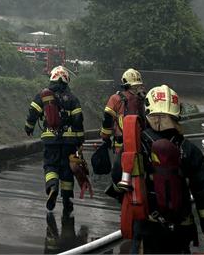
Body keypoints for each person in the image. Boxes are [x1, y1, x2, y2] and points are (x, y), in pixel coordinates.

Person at [130, 84, 204, 254]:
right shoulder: (190, 150)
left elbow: (118, 177)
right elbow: (203, 195)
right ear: (177, 113)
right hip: (180, 230)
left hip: (147, 228)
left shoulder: (136, 147)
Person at [25, 65, 85, 218]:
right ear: (66, 80)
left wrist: (29, 127)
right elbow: (78, 120)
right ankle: (67, 201)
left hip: (50, 139)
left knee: (50, 165)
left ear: (51, 77)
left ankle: (52, 187)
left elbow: (33, 112)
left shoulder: (43, 95)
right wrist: (79, 140)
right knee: (66, 170)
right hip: (69, 142)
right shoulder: (72, 98)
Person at [99, 68, 146, 189]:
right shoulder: (141, 100)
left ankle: (121, 195)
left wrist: (105, 137)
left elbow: (107, 119)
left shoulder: (116, 98)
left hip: (121, 145)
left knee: (119, 172)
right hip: (140, 144)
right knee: (138, 171)